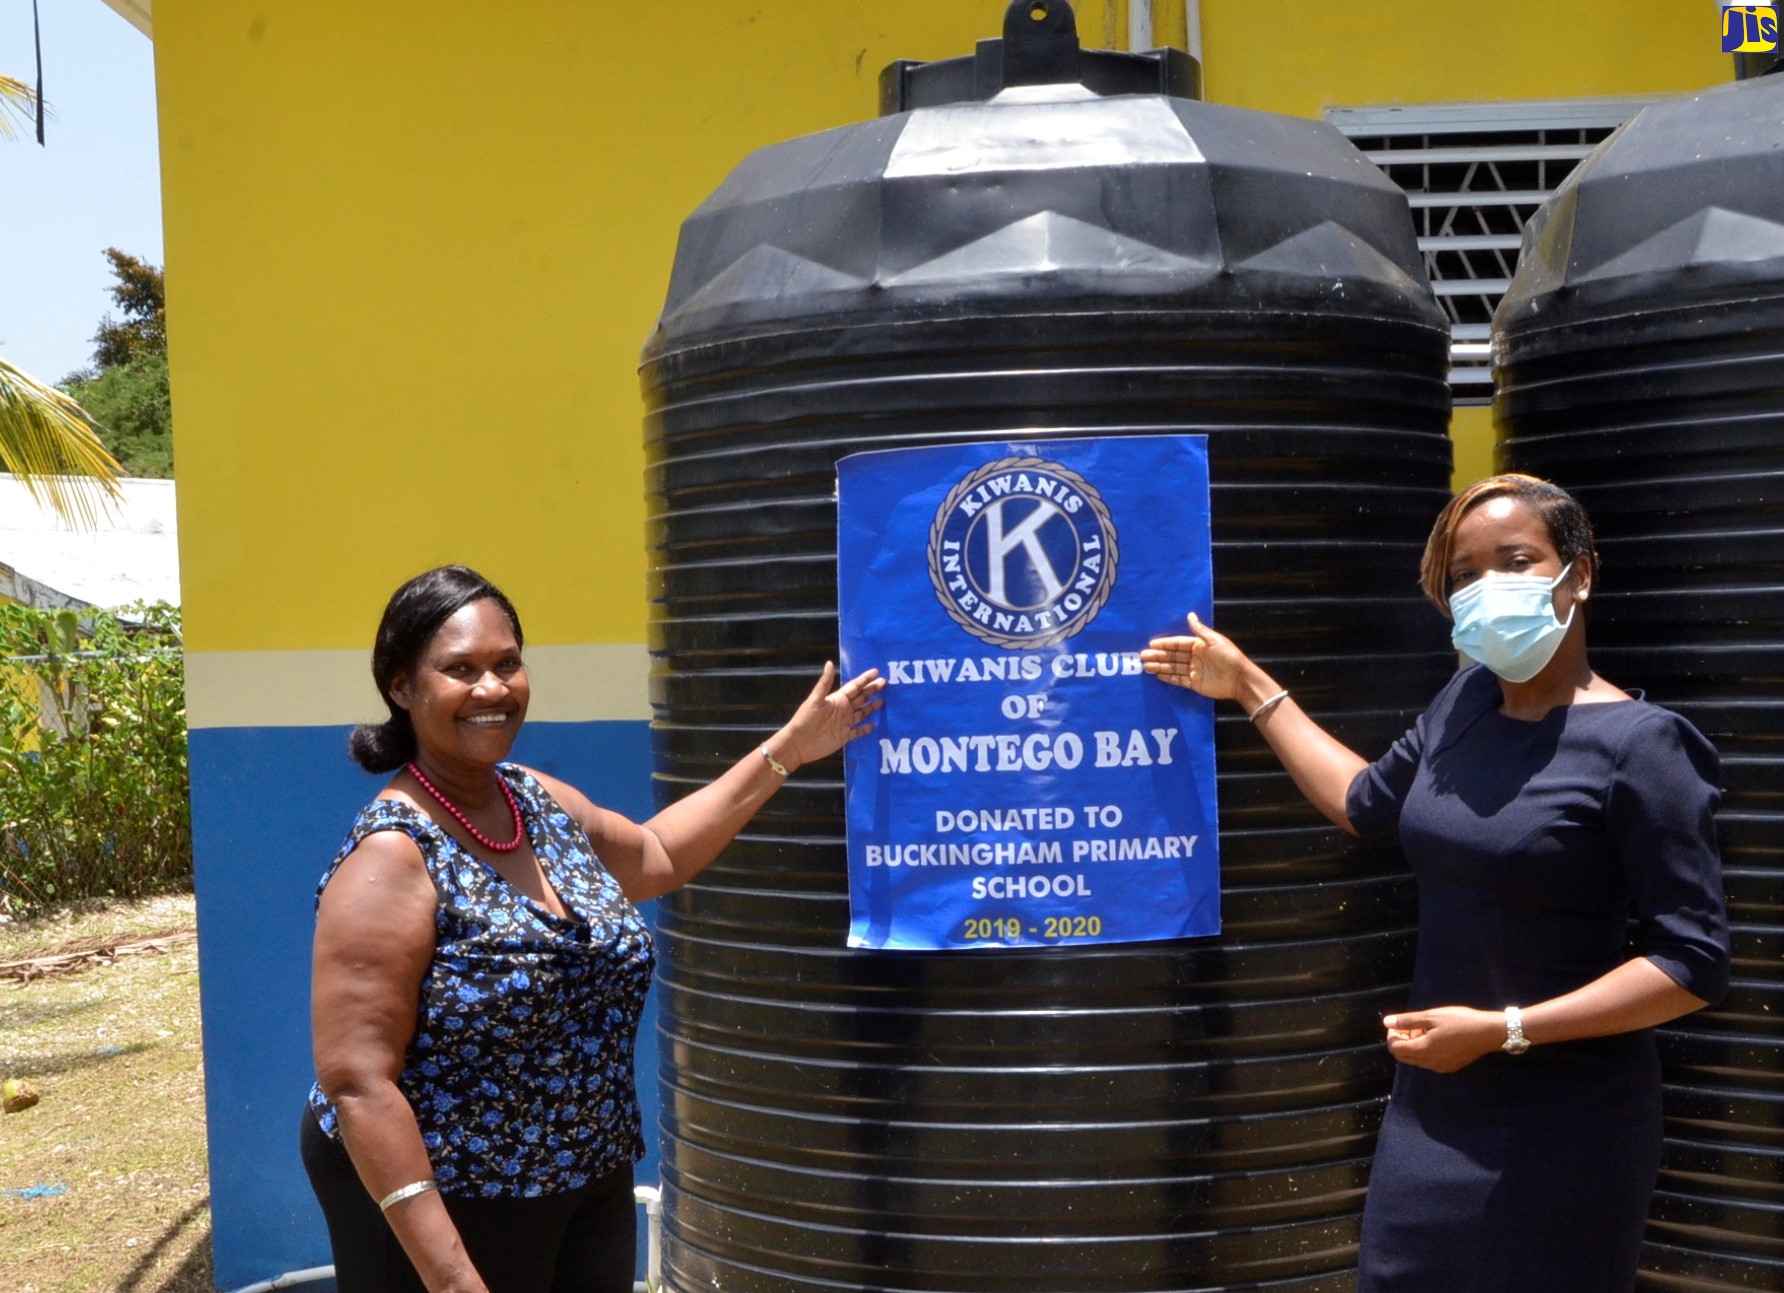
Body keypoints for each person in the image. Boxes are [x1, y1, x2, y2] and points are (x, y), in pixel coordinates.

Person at [1140, 474, 1729, 1293]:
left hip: (1565, 1124)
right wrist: (1246, 683)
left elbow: (1690, 963)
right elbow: (1364, 801)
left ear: (1580, 573)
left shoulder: (1643, 745)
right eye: (1464, 574)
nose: (1487, 587)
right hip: (1434, 1111)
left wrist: (1505, 1028)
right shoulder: (1465, 701)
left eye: (1516, 560)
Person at [300, 565, 884, 1293]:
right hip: (452, 1196)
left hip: (587, 1176)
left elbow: (659, 853)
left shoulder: (536, 801)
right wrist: (451, 1277)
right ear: (401, 686)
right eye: (460, 669)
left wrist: (788, 750)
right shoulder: (393, 857)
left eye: (507, 663)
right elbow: (358, 1081)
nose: (492, 688)